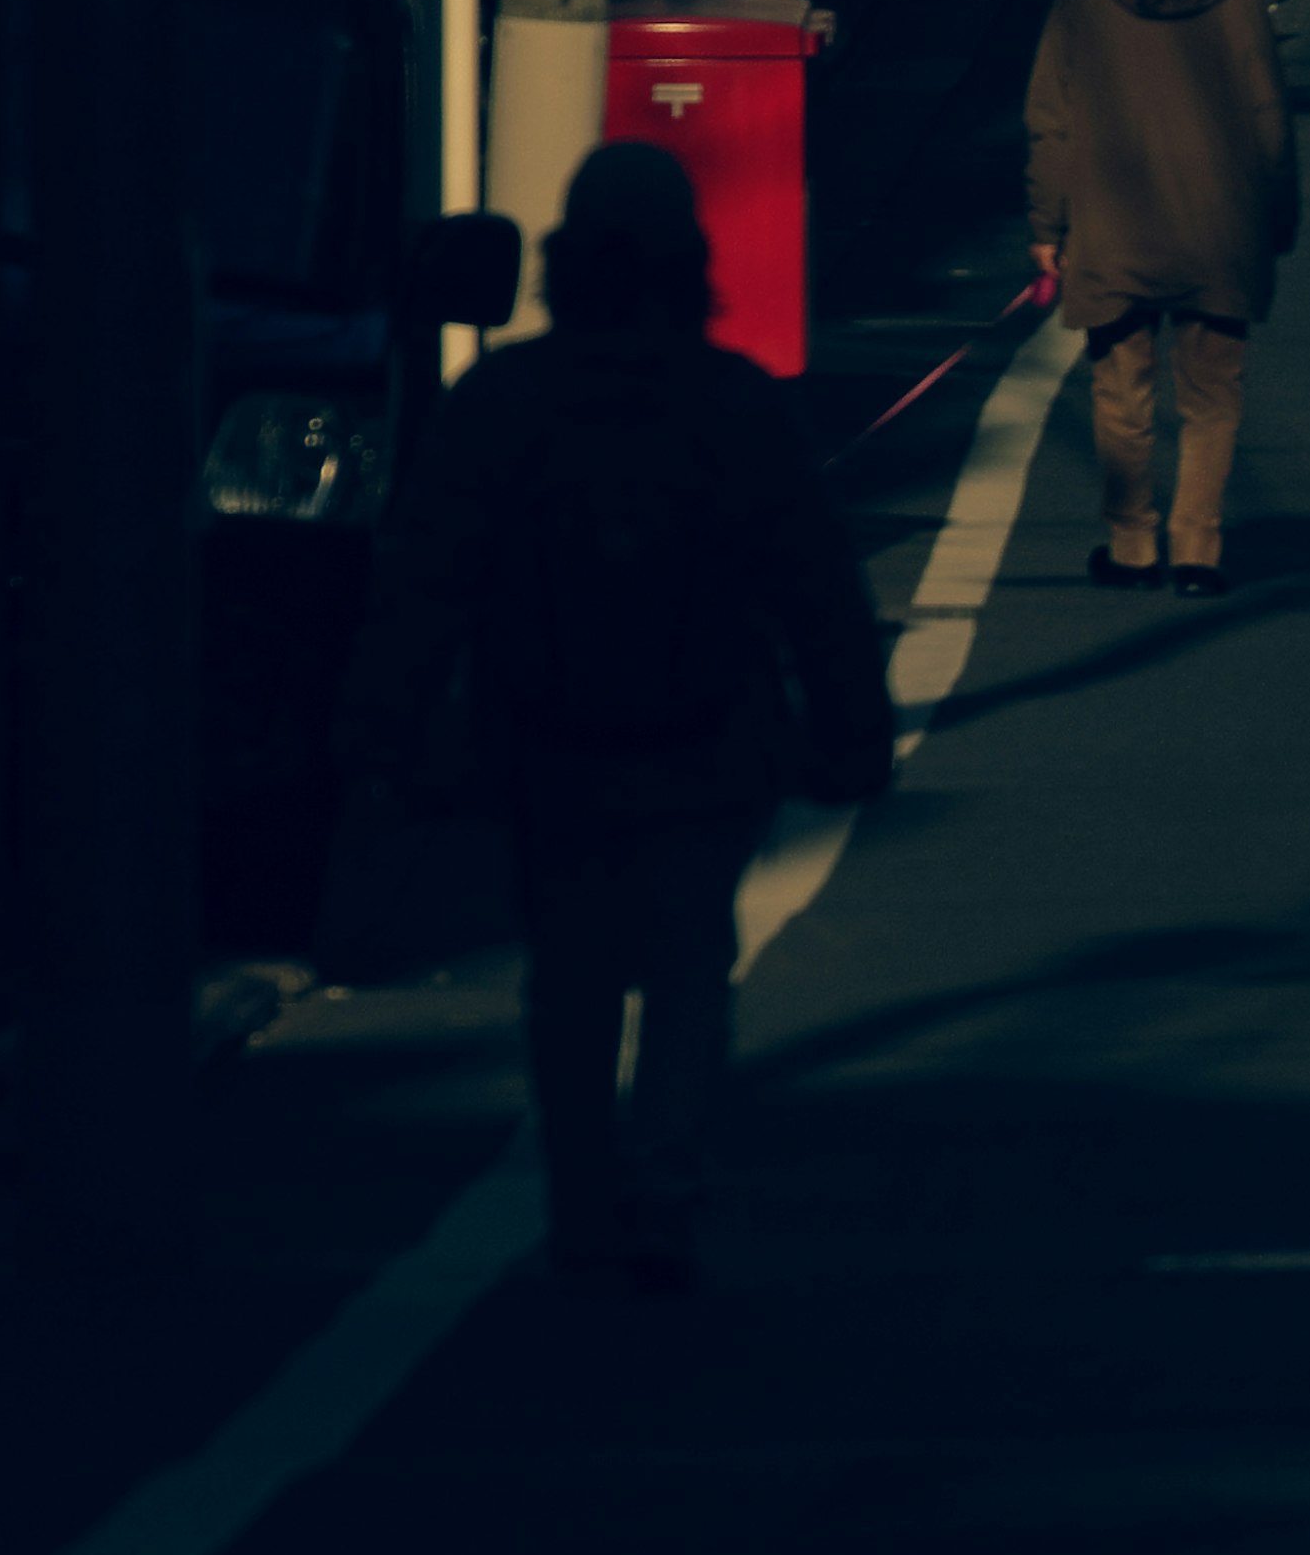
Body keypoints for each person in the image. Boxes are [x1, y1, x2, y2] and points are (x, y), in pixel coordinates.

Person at [341, 142, 895, 1293]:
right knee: (692, 963)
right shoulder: (730, 402)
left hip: (548, 744)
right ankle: (663, 1184)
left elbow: (424, 583)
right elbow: (815, 584)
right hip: (707, 742)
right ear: (689, 260)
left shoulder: (502, 403)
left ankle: (584, 1197)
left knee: (574, 975)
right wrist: (850, 729)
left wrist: (384, 738)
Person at [1027, 0, 1302, 597]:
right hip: (1221, 230)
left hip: (1114, 229)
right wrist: (1277, 220)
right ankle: (1197, 549)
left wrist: (1047, 229)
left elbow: (1052, 124)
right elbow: (1268, 118)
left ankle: (1133, 543)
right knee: (1213, 397)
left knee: (1121, 392)